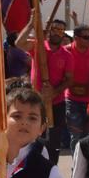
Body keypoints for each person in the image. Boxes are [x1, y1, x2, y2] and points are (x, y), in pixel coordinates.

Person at [19, 17, 71, 152]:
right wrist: (31, 23)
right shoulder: (38, 46)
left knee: (53, 142)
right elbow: (19, 43)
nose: (57, 33)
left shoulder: (67, 55)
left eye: (61, 30)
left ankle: (51, 169)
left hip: (57, 103)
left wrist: (54, 92)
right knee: (34, 137)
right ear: (49, 30)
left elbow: (69, 79)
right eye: (55, 29)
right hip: (36, 100)